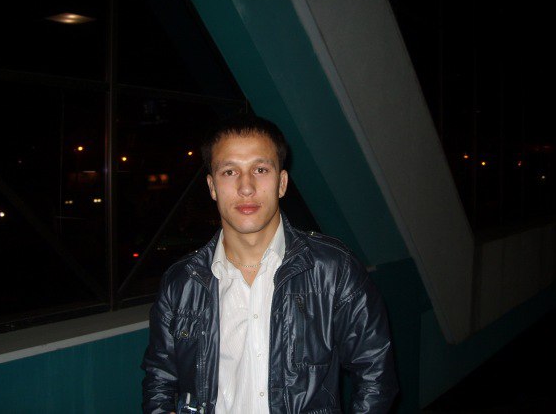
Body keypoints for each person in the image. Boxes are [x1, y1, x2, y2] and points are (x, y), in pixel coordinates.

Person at [141, 115, 398, 413]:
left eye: (260, 169)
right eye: (229, 172)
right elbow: (159, 379)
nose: (246, 187)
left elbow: (376, 375)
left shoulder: (333, 269)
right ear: (212, 186)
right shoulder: (181, 282)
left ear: (282, 183)